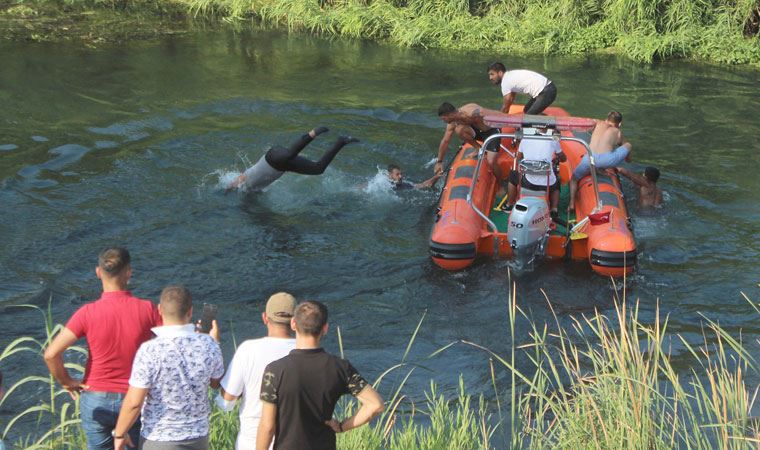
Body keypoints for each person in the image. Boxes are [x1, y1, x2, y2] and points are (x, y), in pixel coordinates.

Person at [43, 247, 160, 450]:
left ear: (98, 272)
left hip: (96, 397)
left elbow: (51, 354)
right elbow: (174, 340)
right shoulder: (147, 309)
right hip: (134, 397)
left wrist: (67, 381)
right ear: (129, 272)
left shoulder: (87, 313)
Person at [256, 301, 384, 450]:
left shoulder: (275, 371)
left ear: (293, 324)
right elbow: (376, 405)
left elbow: (267, 426)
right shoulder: (340, 368)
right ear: (325, 328)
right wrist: (342, 426)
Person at [112, 285, 224, 450]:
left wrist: (120, 433)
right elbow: (216, 384)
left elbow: (134, 403)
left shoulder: (149, 350)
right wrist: (214, 342)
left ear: (159, 310)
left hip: (159, 438)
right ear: (190, 311)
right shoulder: (209, 345)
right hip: (198, 437)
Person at [215, 292, 298, 450]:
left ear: (265, 318)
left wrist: (213, 346)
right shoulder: (305, 352)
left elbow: (226, 402)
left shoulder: (248, 350)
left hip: (251, 443)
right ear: (295, 322)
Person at [227, 127, 359, 192]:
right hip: (278, 161)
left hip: (275, 160)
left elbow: (237, 182)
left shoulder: (242, 185)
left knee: (291, 154)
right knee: (318, 168)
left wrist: (226, 191)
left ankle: (312, 134)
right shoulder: (251, 189)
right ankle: (341, 141)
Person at [568, 111, 633, 212]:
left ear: (606, 119)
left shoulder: (597, 123)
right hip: (607, 161)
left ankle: (572, 203)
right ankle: (626, 160)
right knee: (628, 145)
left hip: (589, 159)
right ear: (619, 124)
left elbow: (586, 122)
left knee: (574, 179)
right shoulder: (618, 132)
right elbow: (622, 144)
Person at [504, 130, 566, 219]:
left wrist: (528, 162)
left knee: (513, 175)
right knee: (557, 179)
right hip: (548, 185)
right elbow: (564, 159)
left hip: (528, 183)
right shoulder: (553, 140)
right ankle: (554, 209)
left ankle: (509, 204)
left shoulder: (525, 140)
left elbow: (519, 160)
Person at [435, 102, 504, 177]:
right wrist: (439, 162)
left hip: (492, 131)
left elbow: (493, 113)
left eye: (444, 119)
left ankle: (501, 184)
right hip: (479, 132)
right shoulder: (453, 123)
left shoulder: (471, 112)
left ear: (450, 115)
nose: (444, 121)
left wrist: (509, 118)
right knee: (459, 129)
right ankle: (478, 149)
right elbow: (445, 141)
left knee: (491, 161)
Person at [487, 62, 557, 115]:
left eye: (492, 74)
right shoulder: (509, 76)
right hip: (547, 88)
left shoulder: (505, 82)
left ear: (500, 73)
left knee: (528, 118)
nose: (490, 78)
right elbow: (510, 99)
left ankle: (554, 129)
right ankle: (547, 122)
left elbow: (505, 107)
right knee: (527, 110)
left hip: (546, 92)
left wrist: (498, 122)